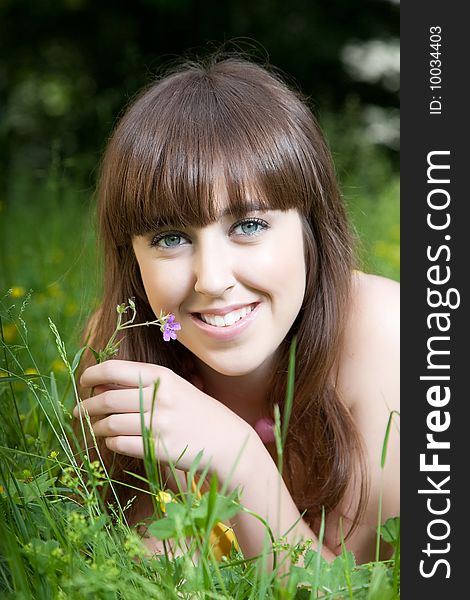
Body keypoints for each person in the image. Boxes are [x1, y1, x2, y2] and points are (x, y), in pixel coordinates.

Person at [74, 55, 400, 567]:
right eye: (171, 237)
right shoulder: (121, 345)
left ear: (310, 229)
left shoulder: (387, 332)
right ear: (131, 256)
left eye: (248, 225)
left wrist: (239, 458)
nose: (212, 279)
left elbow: (353, 585)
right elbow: (146, 562)